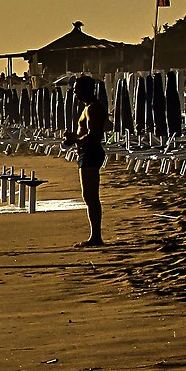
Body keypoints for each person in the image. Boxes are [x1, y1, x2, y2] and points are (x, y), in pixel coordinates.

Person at [67, 74, 108, 246]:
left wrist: (74, 139)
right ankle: (95, 235)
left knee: (90, 196)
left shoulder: (92, 108)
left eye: (77, 91)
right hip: (86, 152)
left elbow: (93, 136)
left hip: (90, 152)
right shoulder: (89, 107)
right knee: (89, 196)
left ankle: (96, 236)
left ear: (86, 90)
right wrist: (75, 138)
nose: (75, 94)